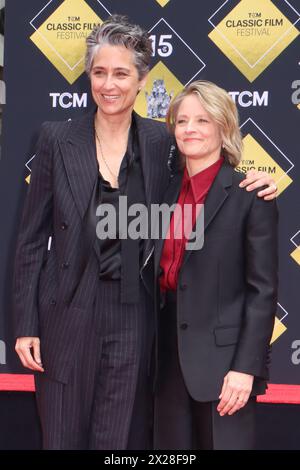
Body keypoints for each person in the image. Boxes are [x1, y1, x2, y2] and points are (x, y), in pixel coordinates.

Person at [13, 15, 277, 450]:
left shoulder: (162, 142)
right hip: (65, 310)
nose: (109, 84)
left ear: (142, 80)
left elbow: (209, 177)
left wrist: (254, 181)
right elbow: (28, 241)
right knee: (59, 438)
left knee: (116, 443)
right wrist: (26, 325)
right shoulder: (56, 140)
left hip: (134, 316)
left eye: (121, 73)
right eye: (99, 72)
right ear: (89, 76)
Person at [153, 81, 278, 450]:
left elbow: (263, 292)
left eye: (203, 120)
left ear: (224, 128)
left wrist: (245, 368)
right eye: (182, 121)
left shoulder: (251, 196)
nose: (190, 129)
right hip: (162, 360)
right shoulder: (161, 190)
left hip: (224, 366)